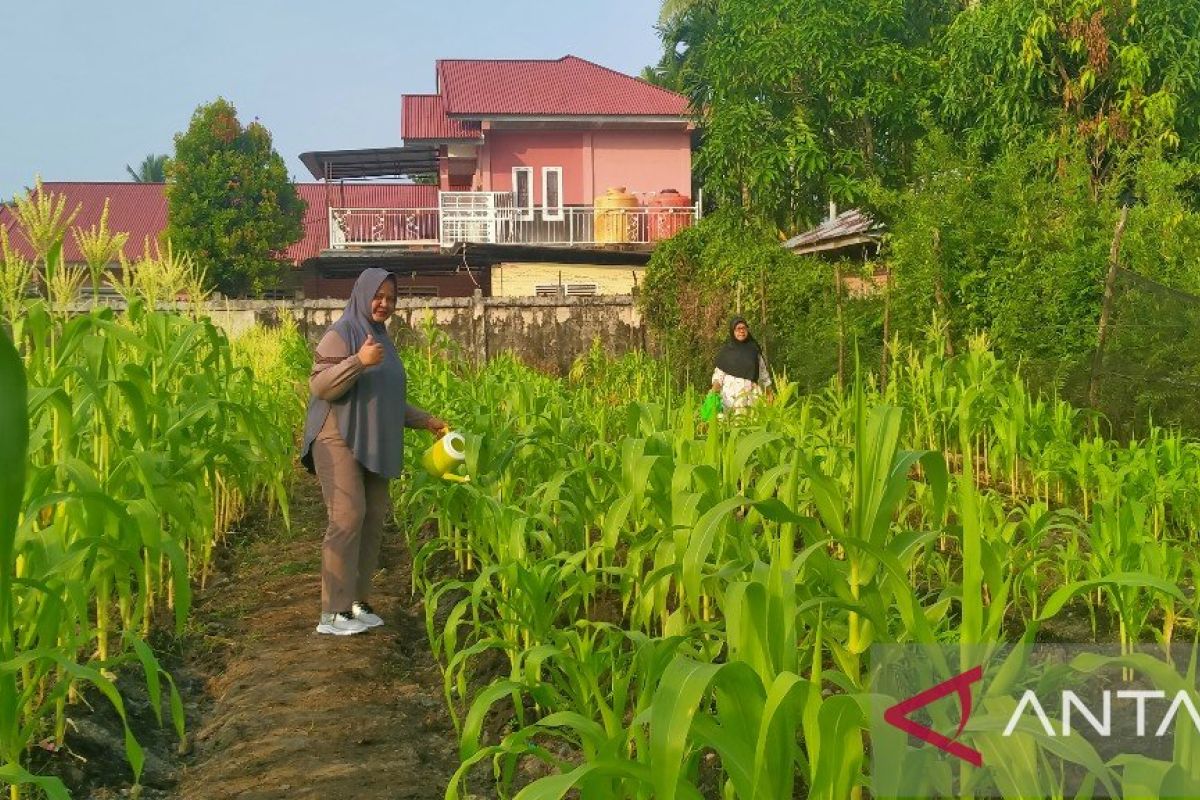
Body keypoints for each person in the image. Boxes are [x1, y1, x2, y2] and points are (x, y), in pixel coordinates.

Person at [299, 268, 446, 636]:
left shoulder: (382, 338)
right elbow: (320, 386)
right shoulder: (342, 334)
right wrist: (359, 362)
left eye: (391, 298)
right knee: (348, 518)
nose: (385, 304)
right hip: (336, 438)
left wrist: (426, 420)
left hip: (372, 438)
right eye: (378, 296)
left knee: (373, 518)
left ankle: (356, 602)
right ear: (362, 294)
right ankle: (332, 613)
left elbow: (386, 399)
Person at [711, 316, 772, 414]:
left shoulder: (754, 350)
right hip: (730, 400)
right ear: (733, 331)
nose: (741, 331)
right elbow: (718, 376)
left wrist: (769, 393)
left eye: (744, 328)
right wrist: (713, 392)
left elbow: (763, 373)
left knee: (751, 426)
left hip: (750, 400)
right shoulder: (726, 351)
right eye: (738, 329)